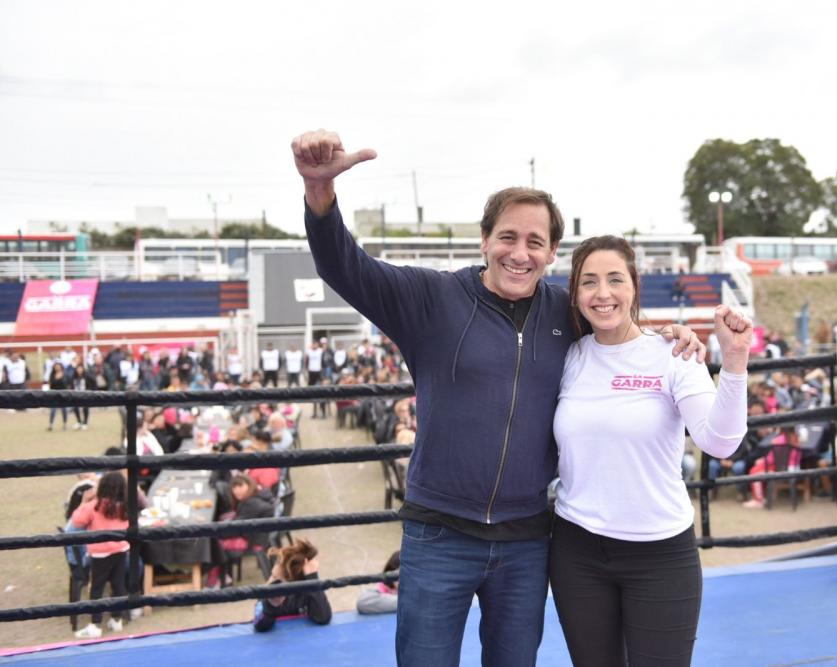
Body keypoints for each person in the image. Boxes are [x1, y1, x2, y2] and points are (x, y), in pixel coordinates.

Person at [291, 129, 706, 666]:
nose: (520, 253)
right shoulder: (432, 298)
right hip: (439, 533)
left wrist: (672, 337)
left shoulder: (567, 313)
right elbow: (344, 268)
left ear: (553, 253)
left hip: (528, 540)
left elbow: (619, 321)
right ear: (484, 240)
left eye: (536, 242)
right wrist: (319, 195)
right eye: (508, 237)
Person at [548, 235, 751, 666]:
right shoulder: (567, 356)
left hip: (659, 553)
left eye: (614, 279)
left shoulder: (673, 354)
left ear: (634, 285)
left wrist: (734, 364)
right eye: (589, 282)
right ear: (575, 293)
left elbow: (720, 442)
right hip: (576, 550)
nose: (602, 294)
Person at [70, 471, 132, 639]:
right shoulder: (126, 505)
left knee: (96, 588)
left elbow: (76, 521)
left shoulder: (94, 505)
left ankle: (95, 625)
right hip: (121, 550)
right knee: (118, 585)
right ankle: (116, 619)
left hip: (100, 554)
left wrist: (84, 501)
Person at [252, 539, 331, 632]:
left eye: (276, 579)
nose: (269, 582)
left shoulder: (307, 592)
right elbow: (259, 626)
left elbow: (323, 617)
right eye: (272, 575)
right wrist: (271, 606)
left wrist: (313, 579)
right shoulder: (269, 595)